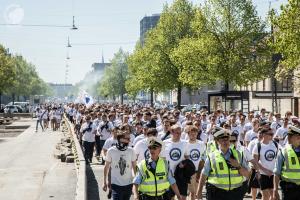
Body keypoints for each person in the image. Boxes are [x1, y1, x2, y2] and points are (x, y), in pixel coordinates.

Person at [196, 129, 250, 200]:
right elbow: (204, 174)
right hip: (216, 193)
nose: (225, 142)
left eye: (227, 139)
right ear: (217, 142)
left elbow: (247, 175)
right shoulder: (211, 156)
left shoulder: (238, 154)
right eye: (222, 140)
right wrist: (199, 191)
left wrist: (238, 166)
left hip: (235, 193)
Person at [103, 131, 137, 200]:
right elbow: (106, 167)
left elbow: (134, 167)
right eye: (127, 139)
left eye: (129, 139)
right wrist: (104, 182)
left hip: (128, 184)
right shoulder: (111, 151)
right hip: (115, 185)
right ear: (120, 139)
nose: (129, 140)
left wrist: (136, 181)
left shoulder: (131, 151)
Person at [273, 126, 300, 200]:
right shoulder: (283, 151)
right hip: (288, 190)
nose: (287, 138)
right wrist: (275, 189)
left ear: (298, 137)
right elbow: (277, 172)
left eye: (290, 136)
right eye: (288, 135)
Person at [252, 128, 278, 200]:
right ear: (264, 135)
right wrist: (265, 170)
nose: (272, 136)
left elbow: (279, 158)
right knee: (265, 195)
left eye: (272, 134)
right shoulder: (258, 146)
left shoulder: (275, 144)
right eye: (270, 134)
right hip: (263, 174)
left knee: (273, 196)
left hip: (273, 174)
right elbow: (255, 161)